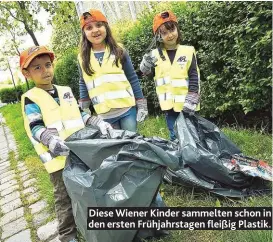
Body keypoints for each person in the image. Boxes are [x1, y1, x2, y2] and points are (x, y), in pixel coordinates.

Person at [20, 46, 112, 242]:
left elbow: (81, 114)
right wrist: (50, 140)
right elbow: (35, 126)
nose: (45, 71)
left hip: (81, 153)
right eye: (37, 68)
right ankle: (67, 236)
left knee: (87, 190)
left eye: (48, 65)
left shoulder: (66, 91)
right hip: (58, 161)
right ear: (26, 73)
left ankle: (93, 225)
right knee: (64, 199)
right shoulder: (31, 99)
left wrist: (98, 122)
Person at [78, 9, 148, 132]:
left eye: (99, 25)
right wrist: (84, 107)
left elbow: (132, 77)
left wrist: (141, 103)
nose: (95, 30)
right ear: (84, 33)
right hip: (104, 115)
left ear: (106, 27)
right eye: (89, 28)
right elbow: (83, 82)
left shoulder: (119, 50)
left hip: (127, 110)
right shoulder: (82, 58)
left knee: (130, 144)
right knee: (115, 149)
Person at [140, 10, 200, 141]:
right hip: (169, 106)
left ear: (177, 28)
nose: (170, 35)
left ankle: (194, 159)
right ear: (158, 36)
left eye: (172, 29)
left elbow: (194, 76)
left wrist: (191, 100)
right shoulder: (155, 55)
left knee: (192, 136)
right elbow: (150, 75)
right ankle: (179, 160)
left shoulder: (188, 51)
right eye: (164, 33)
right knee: (174, 135)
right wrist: (145, 67)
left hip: (187, 105)